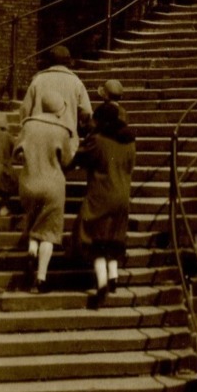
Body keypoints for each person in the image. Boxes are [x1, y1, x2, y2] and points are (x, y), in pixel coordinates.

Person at [71, 101, 136, 310]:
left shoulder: (97, 141)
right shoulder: (129, 142)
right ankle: (114, 276)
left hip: (100, 195)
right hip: (122, 196)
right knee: (114, 237)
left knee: (95, 239)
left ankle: (101, 282)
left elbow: (79, 158)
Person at [12, 89, 73, 293]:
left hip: (29, 183)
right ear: (58, 109)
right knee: (48, 231)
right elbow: (66, 160)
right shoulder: (62, 130)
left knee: (33, 220)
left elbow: (16, 152)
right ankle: (41, 278)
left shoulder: (28, 125)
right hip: (53, 186)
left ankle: (31, 251)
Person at [20, 44, 92, 156]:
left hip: (40, 140)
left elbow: (25, 110)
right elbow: (87, 112)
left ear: (50, 61)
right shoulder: (76, 82)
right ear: (68, 62)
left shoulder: (38, 80)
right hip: (66, 141)